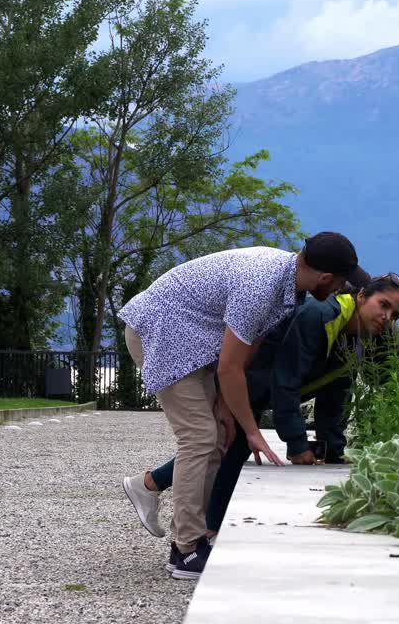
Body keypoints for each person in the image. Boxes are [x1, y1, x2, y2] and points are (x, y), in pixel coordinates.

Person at [119, 232, 361, 580]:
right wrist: (252, 431)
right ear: (326, 278)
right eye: (340, 284)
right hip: (162, 332)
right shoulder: (261, 284)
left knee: (215, 434)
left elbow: (250, 343)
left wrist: (224, 405)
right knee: (200, 438)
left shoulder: (287, 283)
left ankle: (166, 515)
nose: (341, 291)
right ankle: (186, 550)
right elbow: (229, 368)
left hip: (191, 339)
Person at [123, 273, 399, 558]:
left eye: (396, 315)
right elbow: (287, 380)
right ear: (362, 296)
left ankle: (157, 491)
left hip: (257, 387)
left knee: (226, 447)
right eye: (384, 305)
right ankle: (182, 517)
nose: (387, 317)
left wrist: (333, 451)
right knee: (217, 445)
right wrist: (297, 445)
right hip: (242, 378)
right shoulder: (321, 315)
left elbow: (335, 399)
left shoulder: (354, 343)